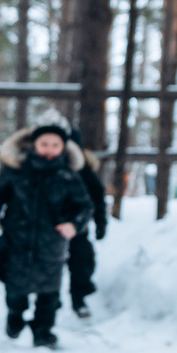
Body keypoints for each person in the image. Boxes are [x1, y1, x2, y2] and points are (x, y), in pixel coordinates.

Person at [0, 123, 95, 349]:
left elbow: (84, 205)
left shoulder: (68, 176)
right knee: (15, 287)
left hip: (51, 243)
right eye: (44, 144)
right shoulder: (17, 170)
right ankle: (15, 316)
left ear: (63, 148)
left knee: (49, 292)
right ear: (34, 144)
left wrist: (74, 225)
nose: (49, 149)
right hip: (17, 238)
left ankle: (43, 330)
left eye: (55, 145)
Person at [65, 122, 109, 318]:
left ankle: (78, 299)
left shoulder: (83, 170)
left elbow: (97, 197)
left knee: (82, 263)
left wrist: (101, 222)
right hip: (45, 227)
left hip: (77, 226)